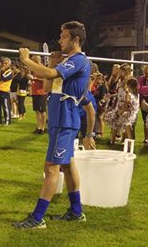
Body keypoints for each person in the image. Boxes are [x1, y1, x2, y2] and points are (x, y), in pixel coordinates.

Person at [13, 21, 95, 229]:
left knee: (51, 168)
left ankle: (37, 218)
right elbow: (48, 85)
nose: (60, 40)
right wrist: (51, 64)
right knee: (67, 166)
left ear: (75, 40)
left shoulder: (78, 60)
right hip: (59, 120)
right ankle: (76, 212)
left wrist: (26, 60)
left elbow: (49, 76)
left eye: (64, 37)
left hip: (64, 121)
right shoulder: (67, 62)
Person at [29, 55, 47, 133]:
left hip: (41, 92)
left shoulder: (42, 68)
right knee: (37, 110)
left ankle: (42, 128)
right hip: (35, 92)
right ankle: (38, 127)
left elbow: (46, 80)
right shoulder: (34, 69)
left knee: (42, 110)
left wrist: (34, 78)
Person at [0, 57, 13, 125]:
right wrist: (0, 71)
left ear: (9, 64)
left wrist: (1, 72)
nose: (4, 64)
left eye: (6, 63)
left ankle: (7, 120)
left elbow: (3, 78)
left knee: (6, 106)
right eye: (3, 63)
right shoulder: (2, 70)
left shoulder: (9, 72)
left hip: (4, 91)